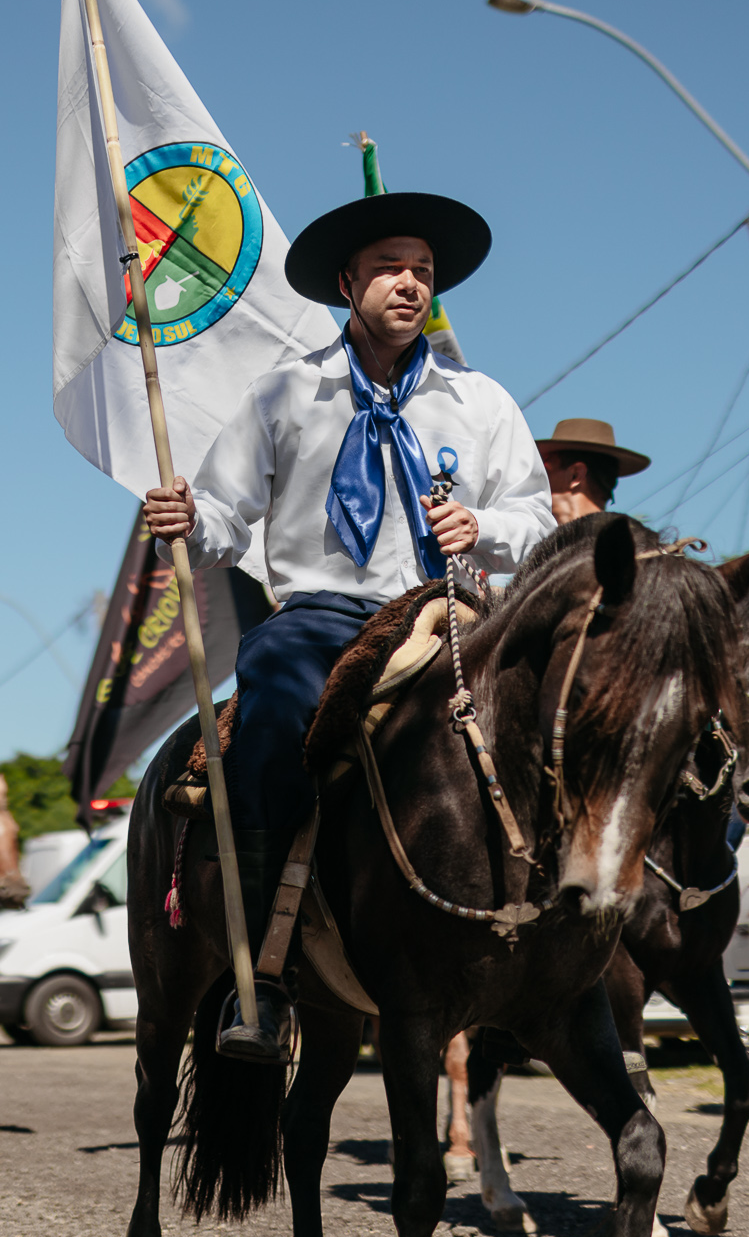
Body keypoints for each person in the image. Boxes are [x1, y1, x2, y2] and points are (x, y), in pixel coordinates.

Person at [144, 192, 554, 1061]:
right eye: (390, 267)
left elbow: (541, 522)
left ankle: (548, 942)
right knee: (271, 712)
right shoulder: (287, 394)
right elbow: (226, 511)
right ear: (346, 282)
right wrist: (189, 515)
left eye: (425, 272)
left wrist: (487, 528)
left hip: (450, 616)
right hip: (324, 617)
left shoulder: (481, 402)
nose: (411, 283)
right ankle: (260, 976)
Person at [535, 418, 651, 524]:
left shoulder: (620, 544)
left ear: (575, 475)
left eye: (545, 469)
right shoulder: (628, 541)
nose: (534, 477)